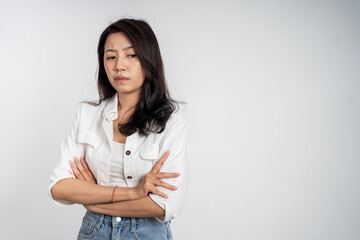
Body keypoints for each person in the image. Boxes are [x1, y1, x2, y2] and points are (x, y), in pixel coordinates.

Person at [48, 18, 189, 240]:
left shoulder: (171, 121)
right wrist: (133, 193)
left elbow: (165, 205)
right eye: (111, 57)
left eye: (130, 55)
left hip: (147, 233)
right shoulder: (87, 114)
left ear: (148, 58)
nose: (119, 66)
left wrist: (92, 199)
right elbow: (59, 187)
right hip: (94, 231)